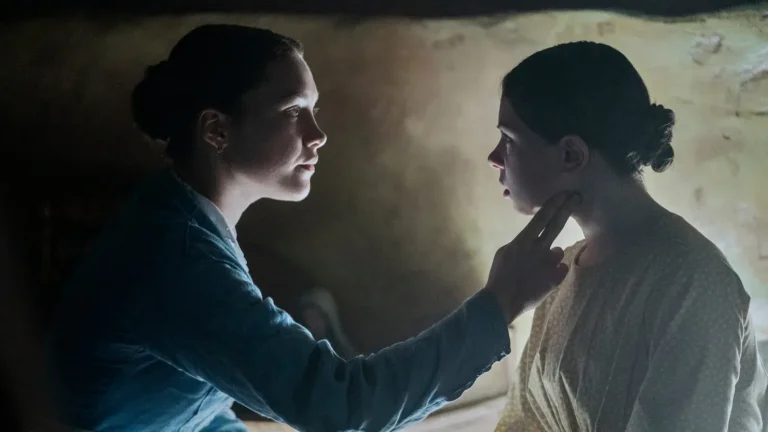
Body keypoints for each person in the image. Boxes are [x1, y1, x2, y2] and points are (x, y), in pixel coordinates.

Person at [47, 24, 579, 432]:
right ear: (216, 129)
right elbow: (340, 405)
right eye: (292, 111)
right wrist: (498, 305)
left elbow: (201, 411)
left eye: (314, 110)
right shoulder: (177, 255)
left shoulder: (183, 217)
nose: (318, 134)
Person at [490, 41, 767, 432]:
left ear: (571, 155)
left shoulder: (693, 282)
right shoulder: (560, 269)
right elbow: (525, 420)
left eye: (509, 140)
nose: (494, 158)